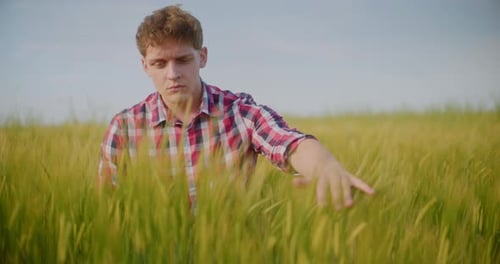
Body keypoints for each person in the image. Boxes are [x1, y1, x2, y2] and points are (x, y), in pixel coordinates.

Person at [98, 5, 374, 210]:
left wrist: (325, 166)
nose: (172, 74)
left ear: (202, 57)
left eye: (183, 60)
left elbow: (288, 142)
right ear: (144, 66)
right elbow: (108, 209)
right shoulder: (124, 128)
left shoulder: (239, 113)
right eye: (159, 63)